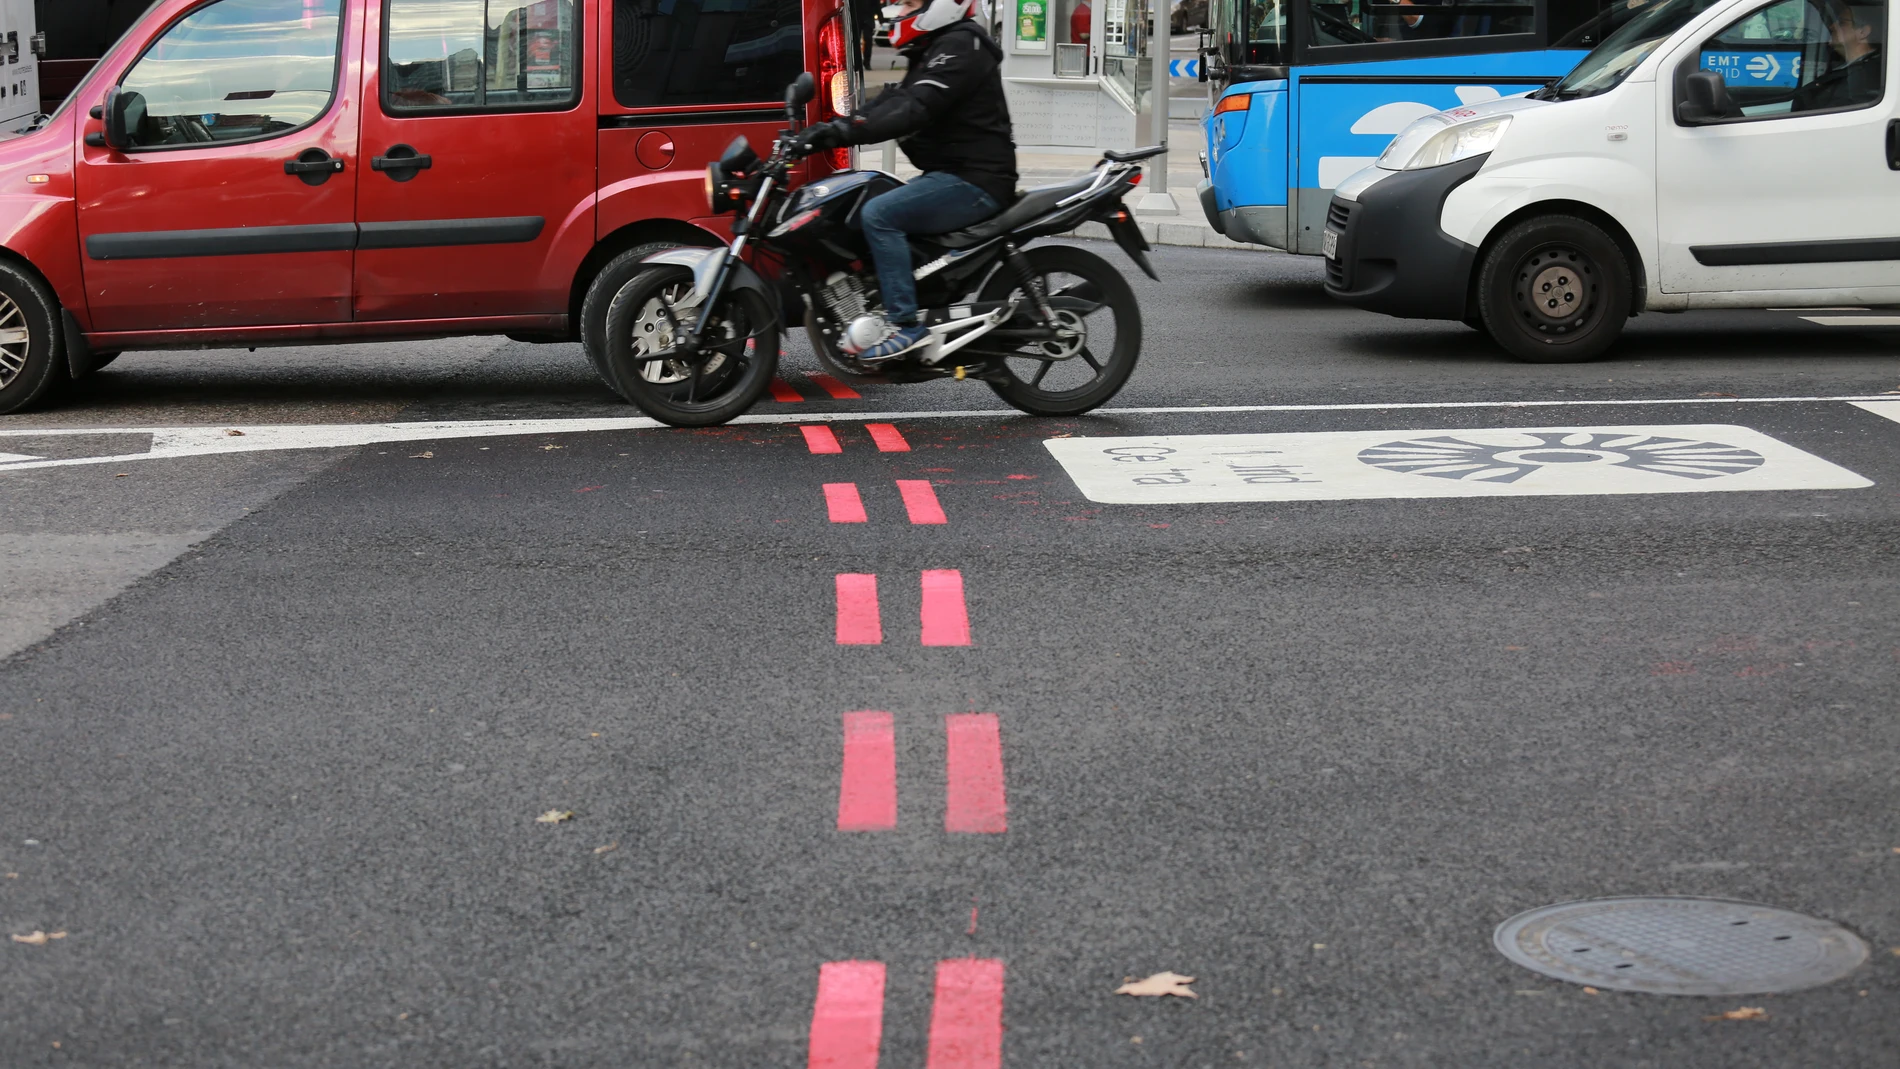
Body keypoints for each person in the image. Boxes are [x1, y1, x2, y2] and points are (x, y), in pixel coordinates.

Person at [790, 0, 1018, 361]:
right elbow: (895, 100)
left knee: (881, 213)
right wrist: (826, 129)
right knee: (865, 197)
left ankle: (905, 325)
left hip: (977, 180)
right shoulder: (937, 46)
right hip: (952, 174)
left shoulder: (962, 45)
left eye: (911, 2)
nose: (901, 10)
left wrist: (841, 132)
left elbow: (915, 108)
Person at [1793, 0, 1884, 111]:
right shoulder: (1851, 68)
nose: (1832, 26)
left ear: (1863, 32)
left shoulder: (1868, 76)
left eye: (1842, 23)